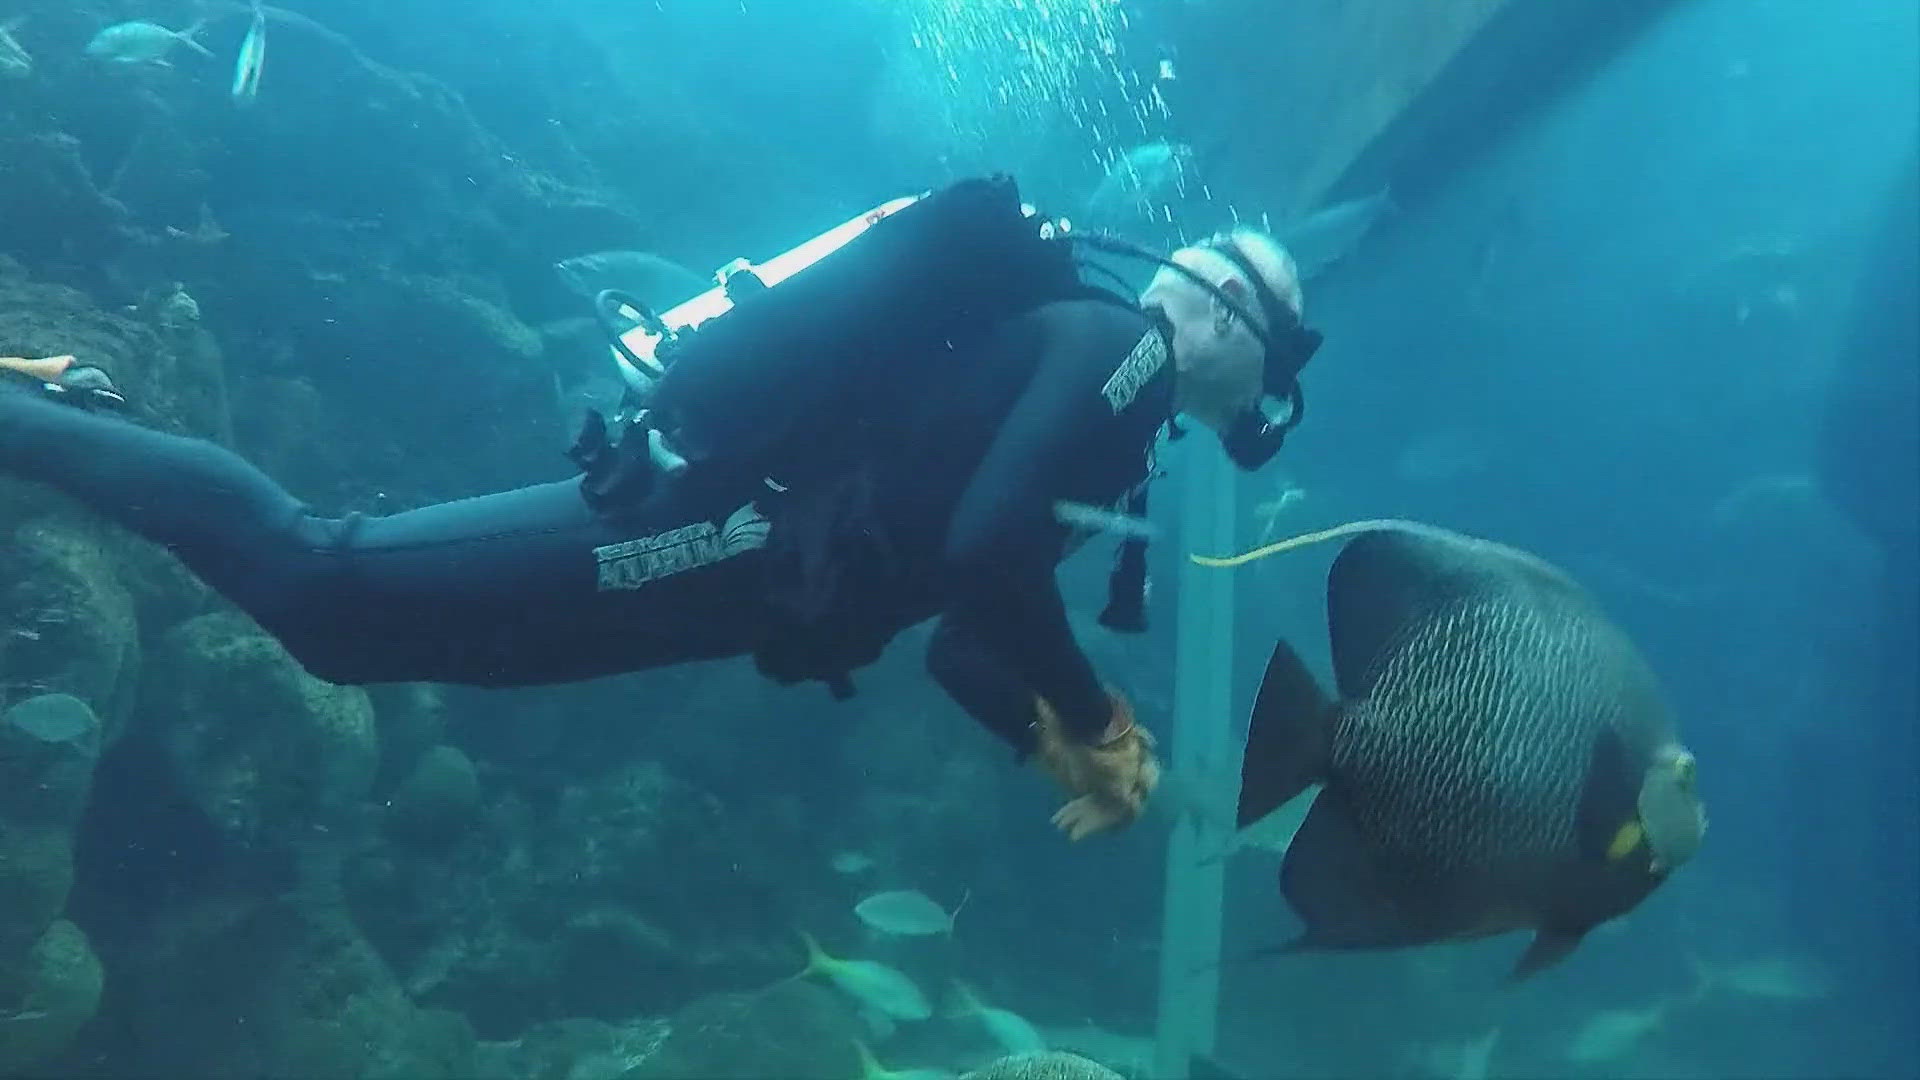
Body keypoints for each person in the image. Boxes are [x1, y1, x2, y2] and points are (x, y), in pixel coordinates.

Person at [0, 176, 1320, 840]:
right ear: (1229, 328)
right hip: (722, 527)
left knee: (341, 634)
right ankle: (38, 416)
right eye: (1283, 356)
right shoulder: (1114, 353)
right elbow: (981, 557)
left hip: (735, 581)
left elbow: (965, 622)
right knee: (326, 579)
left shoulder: (1115, 423)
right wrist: (1088, 710)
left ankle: (90, 414)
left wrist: (1047, 734)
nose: (1267, 399)